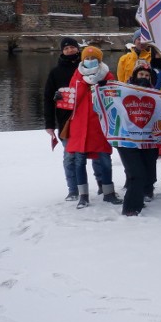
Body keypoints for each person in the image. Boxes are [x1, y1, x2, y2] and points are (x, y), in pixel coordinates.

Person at [65, 45, 121, 209]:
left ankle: (108, 192)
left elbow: (114, 99)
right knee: (79, 160)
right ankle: (83, 196)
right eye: (87, 58)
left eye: (93, 58)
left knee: (104, 158)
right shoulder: (77, 76)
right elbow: (73, 98)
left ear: (99, 59)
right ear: (83, 60)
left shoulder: (107, 75)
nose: (90, 61)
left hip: (100, 124)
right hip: (80, 124)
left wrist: (103, 86)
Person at [117, 61, 161, 216]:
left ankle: (143, 195)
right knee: (136, 174)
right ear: (135, 75)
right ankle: (131, 208)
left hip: (148, 140)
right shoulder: (122, 91)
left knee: (148, 173)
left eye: (147, 75)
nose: (143, 77)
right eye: (141, 74)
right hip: (127, 140)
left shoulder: (157, 95)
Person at [43, 37, 83, 200]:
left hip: (87, 120)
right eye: (66, 49)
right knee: (70, 157)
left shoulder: (86, 68)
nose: (69, 51)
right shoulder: (55, 72)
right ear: (62, 51)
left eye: (72, 48)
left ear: (77, 49)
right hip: (66, 122)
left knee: (96, 156)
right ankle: (73, 190)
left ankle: (103, 186)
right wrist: (49, 124)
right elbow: (47, 99)